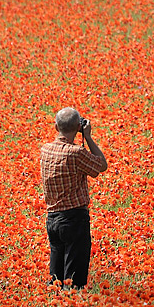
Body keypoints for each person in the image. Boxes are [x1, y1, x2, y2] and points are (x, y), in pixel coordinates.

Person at [39, 107, 108, 290]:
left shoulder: (45, 150)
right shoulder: (75, 153)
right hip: (74, 221)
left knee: (57, 281)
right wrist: (89, 138)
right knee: (74, 283)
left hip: (52, 220)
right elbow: (101, 165)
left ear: (56, 126)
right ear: (78, 127)